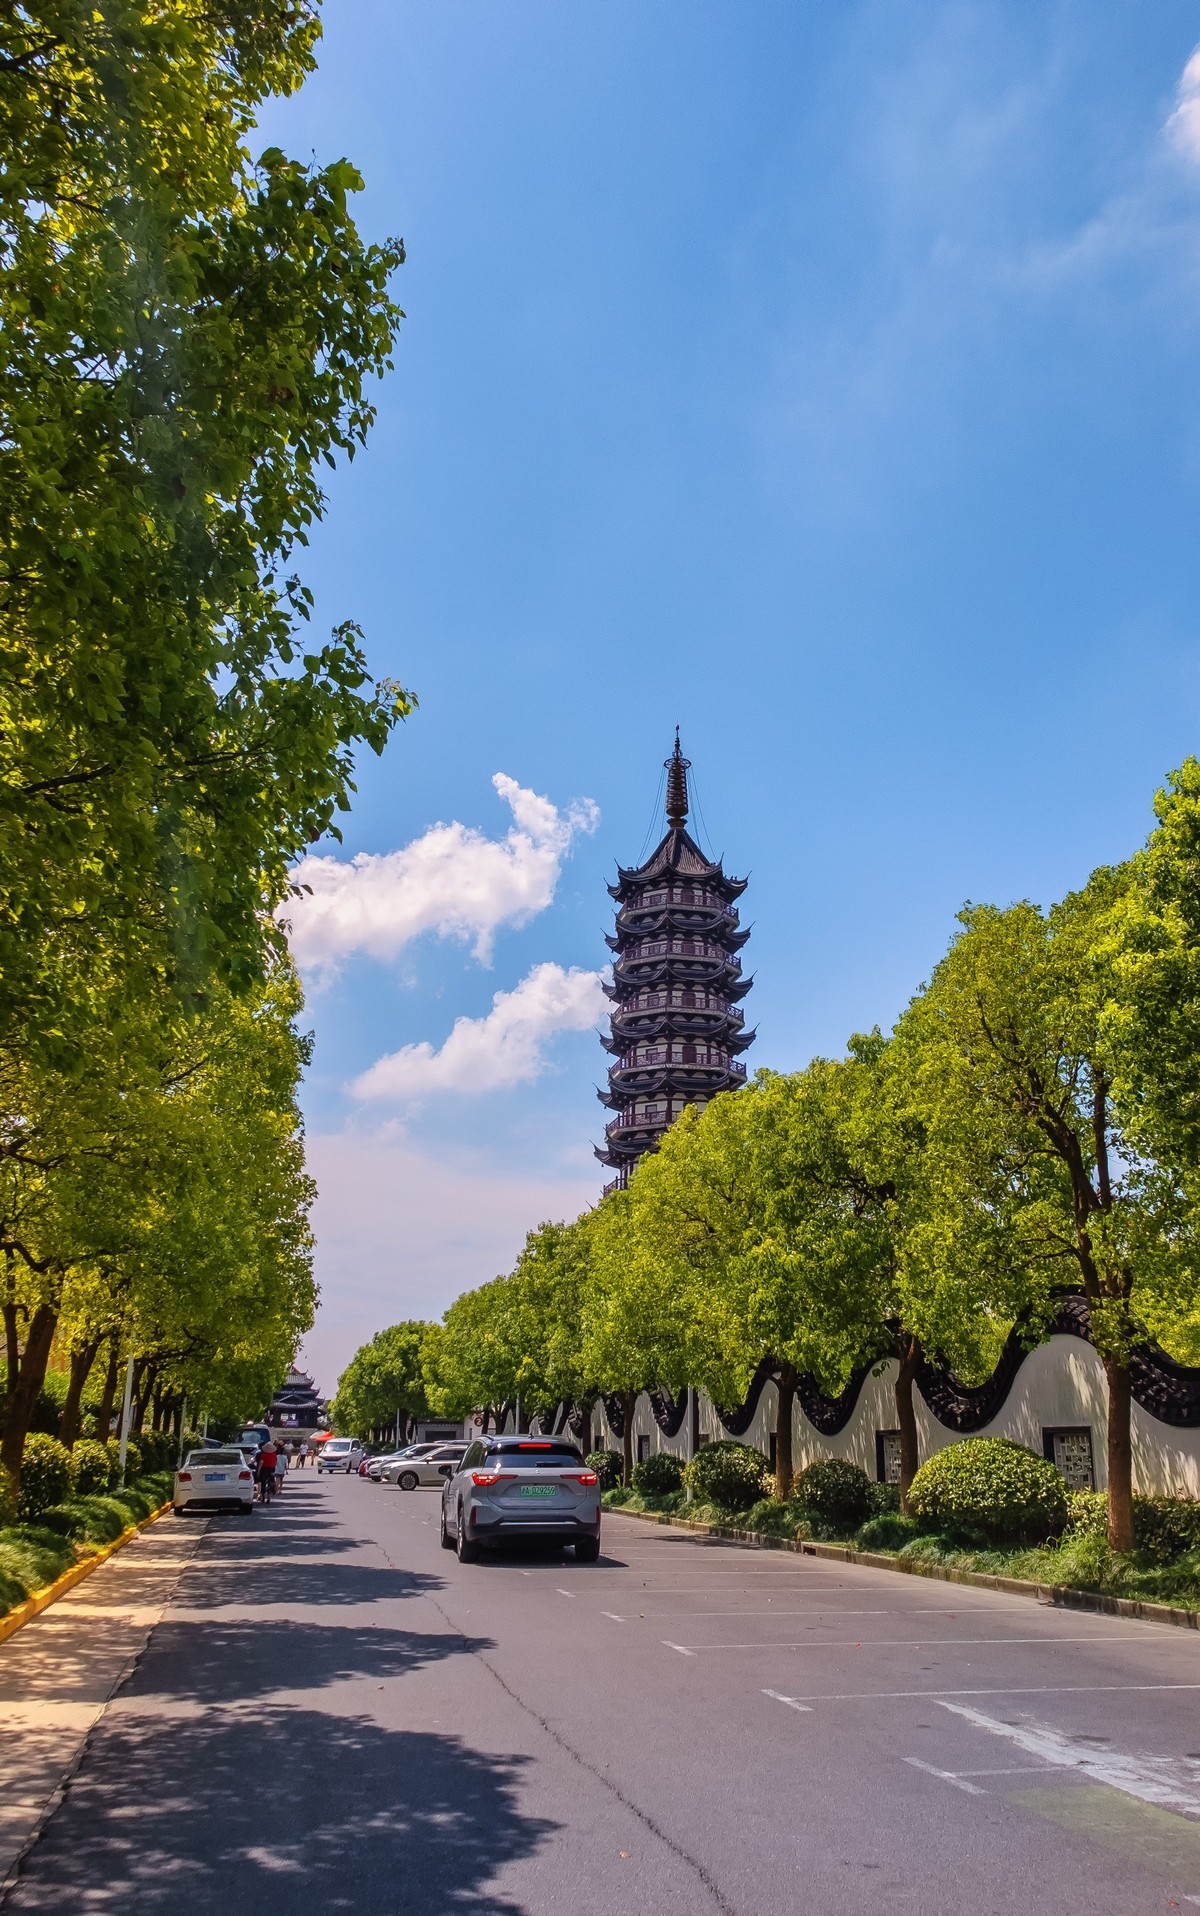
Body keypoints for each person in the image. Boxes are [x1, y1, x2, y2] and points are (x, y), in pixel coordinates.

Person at [256, 1435, 278, 1502]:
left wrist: (258, 1471)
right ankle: (269, 1496)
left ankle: (263, 1496)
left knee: (263, 1482)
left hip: (264, 1469)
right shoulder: (274, 1454)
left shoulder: (263, 1455)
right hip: (272, 1469)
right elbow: (276, 1462)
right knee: (270, 1482)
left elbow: (261, 1463)